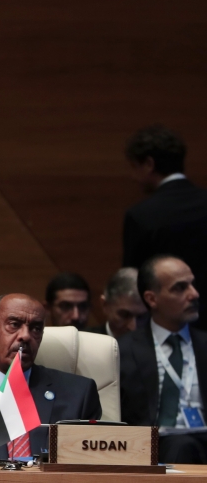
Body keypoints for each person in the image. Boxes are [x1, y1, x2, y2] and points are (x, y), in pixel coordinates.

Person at [0, 294, 101, 460]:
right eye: (14, 324)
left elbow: (92, 462)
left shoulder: (79, 393)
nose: (25, 336)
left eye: (36, 328)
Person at [119, 256, 207, 463]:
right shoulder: (123, 350)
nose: (194, 294)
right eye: (180, 288)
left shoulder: (204, 345)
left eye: (192, 284)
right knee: (181, 446)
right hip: (153, 448)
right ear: (152, 299)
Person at [122, 125, 207, 330]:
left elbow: (135, 281)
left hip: (170, 328)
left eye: (135, 167)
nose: (134, 177)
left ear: (149, 164)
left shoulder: (142, 216)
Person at [84, 268, 146, 339]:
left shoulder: (152, 343)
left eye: (141, 317)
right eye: (125, 315)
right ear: (105, 305)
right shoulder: (85, 341)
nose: (133, 327)